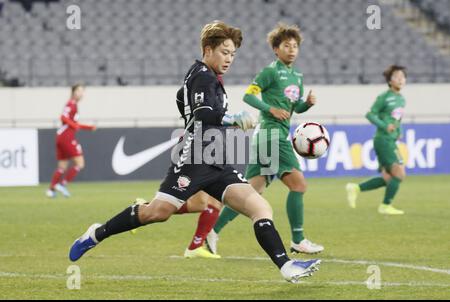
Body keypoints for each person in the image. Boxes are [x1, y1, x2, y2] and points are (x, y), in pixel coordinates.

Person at [69, 21, 321, 283]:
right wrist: (231, 118)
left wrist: (206, 117)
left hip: (218, 163)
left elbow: (183, 100)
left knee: (260, 207)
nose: (229, 59)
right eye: (224, 52)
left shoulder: (207, 78)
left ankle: (287, 266)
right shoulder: (202, 74)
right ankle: (96, 234)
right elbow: (203, 115)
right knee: (157, 212)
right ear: (207, 49)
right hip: (194, 160)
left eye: (233, 54)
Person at [206, 23, 324, 256]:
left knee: (251, 193)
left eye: (295, 46)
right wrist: (270, 109)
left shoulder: (297, 77)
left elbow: (293, 108)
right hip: (271, 134)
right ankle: (298, 239)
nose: (291, 50)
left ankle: (212, 230)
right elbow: (249, 96)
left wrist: (306, 104)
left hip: (271, 135)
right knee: (299, 185)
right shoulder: (271, 71)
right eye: (286, 46)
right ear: (276, 49)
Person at [346, 65, 407, 215]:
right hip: (383, 140)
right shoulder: (384, 97)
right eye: (397, 76)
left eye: (402, 76)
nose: (400, 79)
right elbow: (370, 114)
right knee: (399, 173)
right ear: (390, 81)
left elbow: (397, 119)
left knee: (388, 178)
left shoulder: (401, 99)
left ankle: (355, 188)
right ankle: (385, 206)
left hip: (391, 140)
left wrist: (400, 131)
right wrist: (385, 126)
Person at [46, 84, 96, 198]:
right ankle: (62, 184)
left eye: (83, 91)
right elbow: (63, 118)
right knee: (80, 163)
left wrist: (88, 127)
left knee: (62, 167)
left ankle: (51, 190)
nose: (82, 93)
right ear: (73, 92)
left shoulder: (73, 105)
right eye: (79, 91)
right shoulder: (71, 104)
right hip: (66, 137)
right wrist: (73, 125)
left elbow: (74, 124)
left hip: (60, 137)